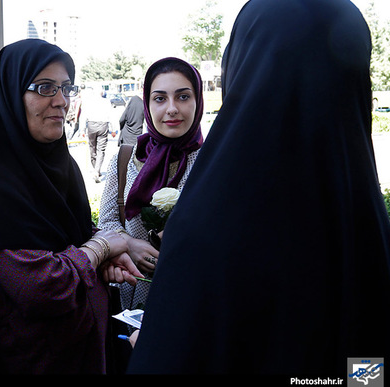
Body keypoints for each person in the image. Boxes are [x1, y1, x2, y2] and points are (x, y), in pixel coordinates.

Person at [128, 0, 390, 375]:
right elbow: (367, 371)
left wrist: (157, 341)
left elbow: (173, 357)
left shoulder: (205, 225)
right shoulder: (367, 229)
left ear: (244, 68)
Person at [0, 39, 142, 374]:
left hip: (83, 348)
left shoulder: (59, 163)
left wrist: (103, 257)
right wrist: (101, 248)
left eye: (66, 87)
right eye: (44, 88)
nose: (61, 101)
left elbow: (72, 234)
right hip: (35, 359)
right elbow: (41, 287)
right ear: (11, 95)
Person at [98, 57, 204, 313]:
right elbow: (107, 221)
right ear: (147, 103)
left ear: (197, 101)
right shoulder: (125, 158)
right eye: (160, 98)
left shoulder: (214, 162)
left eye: (183, 97)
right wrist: (130, 245)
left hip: (195, 299)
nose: (171, 109)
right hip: (133, 297)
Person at [83, 90, 114, 182]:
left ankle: (95, 169)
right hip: (103, 125)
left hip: (91, 125)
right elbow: (111, 115)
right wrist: (113, 129)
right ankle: (97, 170)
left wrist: (82, 129)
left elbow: (83, 116)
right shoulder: (106, 102)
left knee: (92, 147)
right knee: (101, 149)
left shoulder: (89, 102)